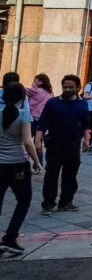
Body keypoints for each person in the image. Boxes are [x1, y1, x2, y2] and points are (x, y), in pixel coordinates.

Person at [37, 75, 91, 215]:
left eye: (70, 87)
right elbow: (43, 122)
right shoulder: (53, 103)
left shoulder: (82, 104)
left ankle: (66, 202)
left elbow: (85, 124)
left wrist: (86, 139)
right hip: (54, 146)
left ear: (77, 88)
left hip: (73, 146)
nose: (67, 89)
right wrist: (38, 139)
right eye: (65, 87)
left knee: (70, 176)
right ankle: (48, 204)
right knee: (51, 176)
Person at [0, 82, 42, 254]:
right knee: (24, 200)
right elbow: (27, 141)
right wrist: (37, 161)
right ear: (23, 97)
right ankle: (10, 237)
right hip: (17, 164)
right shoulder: (23, 115)